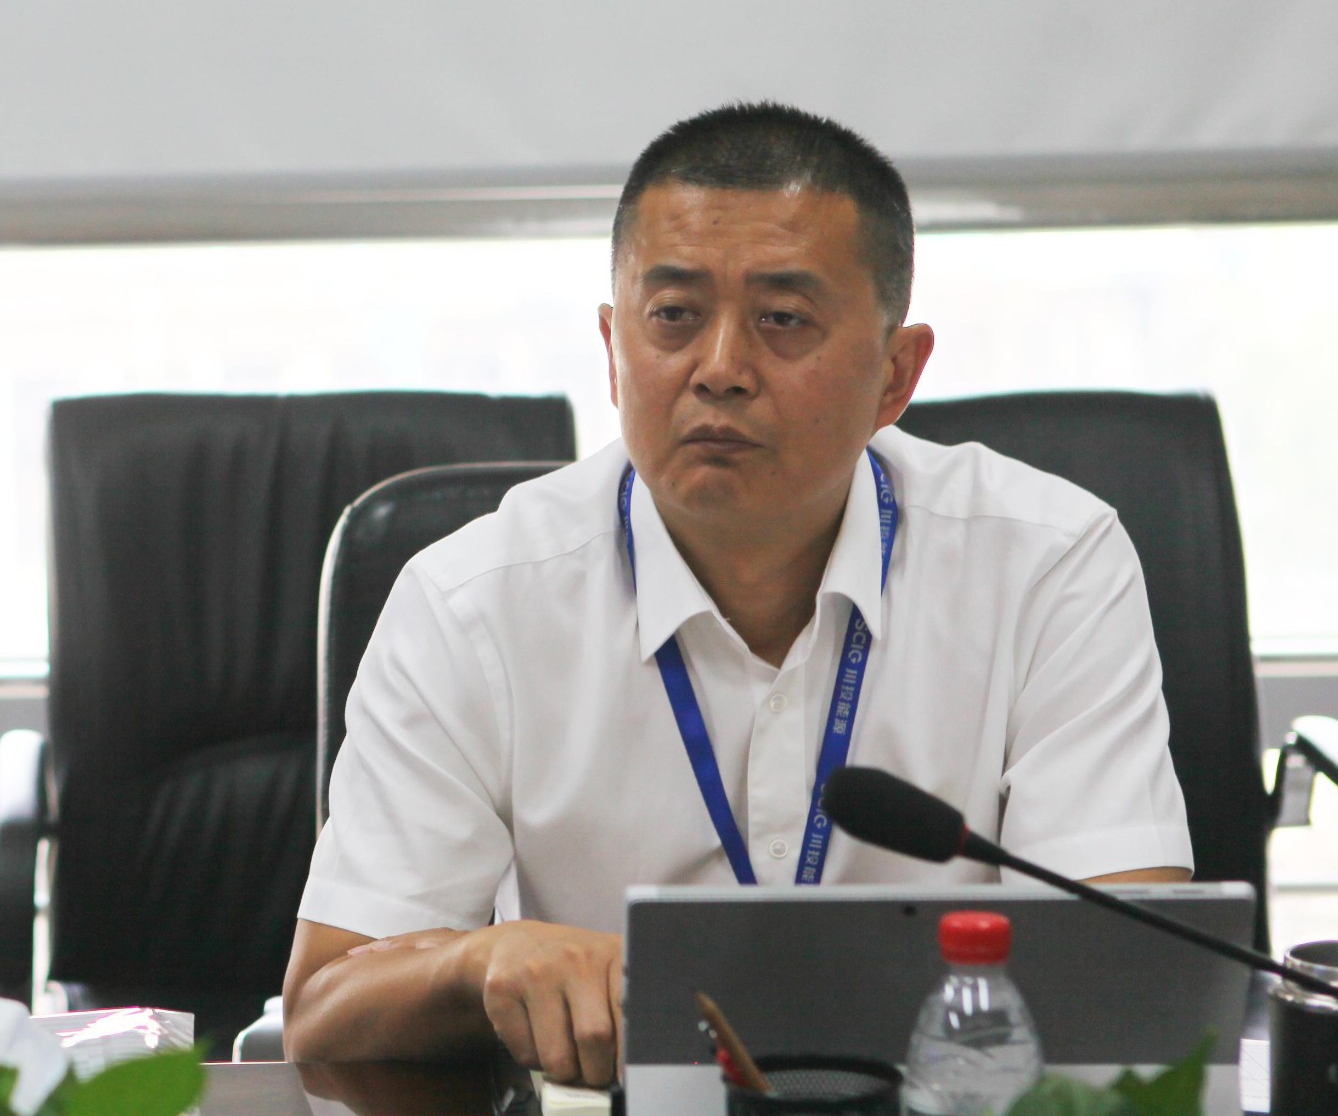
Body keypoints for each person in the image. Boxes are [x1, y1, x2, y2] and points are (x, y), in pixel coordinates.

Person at [282, 102, 1193, 1081]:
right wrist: (476, 963)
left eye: (782, 320)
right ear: (613, 348)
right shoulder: (471, 602)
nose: (718, 370)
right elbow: (324, 1014)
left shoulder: (1048, 566)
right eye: (674, 316)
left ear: (895, 374)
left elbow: (1131, 982)